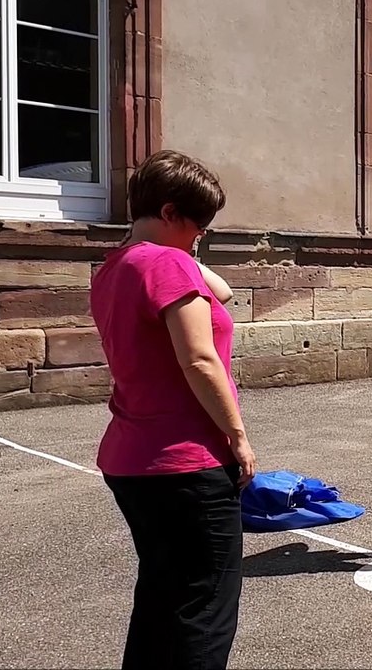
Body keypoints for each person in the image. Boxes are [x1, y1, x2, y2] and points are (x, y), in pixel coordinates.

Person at [90, 149, 257, 669]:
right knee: (205, 608)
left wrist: (183, 250)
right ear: (168, 212)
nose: (201, 234)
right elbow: (201, 360)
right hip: (187, 462)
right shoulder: (164, 262)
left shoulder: (116, 267)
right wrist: (238, 436)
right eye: (197, 223)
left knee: (162, 596)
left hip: (130, 460)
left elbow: (223, 294)